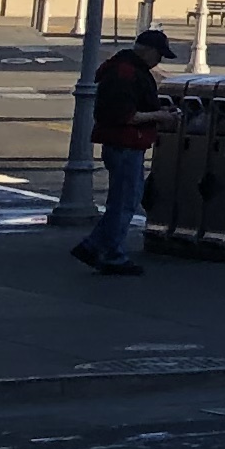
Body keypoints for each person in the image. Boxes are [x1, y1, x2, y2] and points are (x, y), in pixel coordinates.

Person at [72, 28, 174, 274]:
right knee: (125, 201)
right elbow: (125, 114)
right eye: (159, 55)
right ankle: (110, 252)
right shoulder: (127, 73)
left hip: (122, 143)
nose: (159, 61)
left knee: (122, 199)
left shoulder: (122, 68)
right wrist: (160, 116)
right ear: (148, 51)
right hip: (126, 143)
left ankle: (95, 246)